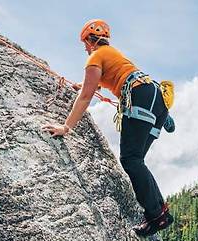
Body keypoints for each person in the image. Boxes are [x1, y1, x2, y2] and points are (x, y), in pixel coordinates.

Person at [41, 19, 174, 237]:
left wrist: (66, 127)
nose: (85, 48)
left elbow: (85, 96)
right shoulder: (113, 54)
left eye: (84, 44)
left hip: (138, 97)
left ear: (89, 40)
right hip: (155, 98)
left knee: (130, 160)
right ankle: (159, 213)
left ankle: (156, 214)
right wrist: (83, 85)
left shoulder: (95, 57)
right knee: (137, 160)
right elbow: (100, 82)